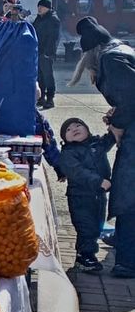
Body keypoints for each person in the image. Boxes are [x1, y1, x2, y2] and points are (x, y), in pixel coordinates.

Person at [77, 15, 135, 278]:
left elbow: (130, 98)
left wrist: (118, 123)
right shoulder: (120, 49)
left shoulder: (110, 58)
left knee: (128, 193)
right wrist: (117, 116)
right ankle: (124, 239)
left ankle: (128, 259)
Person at [57, 116, 115, 274]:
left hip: (98, 196)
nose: (74, 129)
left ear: (87, 130)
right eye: (68, 130)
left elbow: (110, 139)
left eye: (78, 125)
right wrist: (98, 181)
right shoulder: (68, 153)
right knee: (86, 227)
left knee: (97, 226)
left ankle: (86, 255)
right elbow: (77, 172)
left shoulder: (96, 144)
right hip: (80, 198)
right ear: (65, 138)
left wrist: (113, 122)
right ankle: (84, 256)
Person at [33, 0, 61, 110]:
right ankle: (41, 97)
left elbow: (53, 38)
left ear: (48, 8)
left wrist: (48, 52)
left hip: (46, 53)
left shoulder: (53, 19)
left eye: (42, 7)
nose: (39, 9)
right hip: (38, 51)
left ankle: (50, 98)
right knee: (40, 76)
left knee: (48, 76)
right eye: (38, 6)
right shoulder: (39, 18)